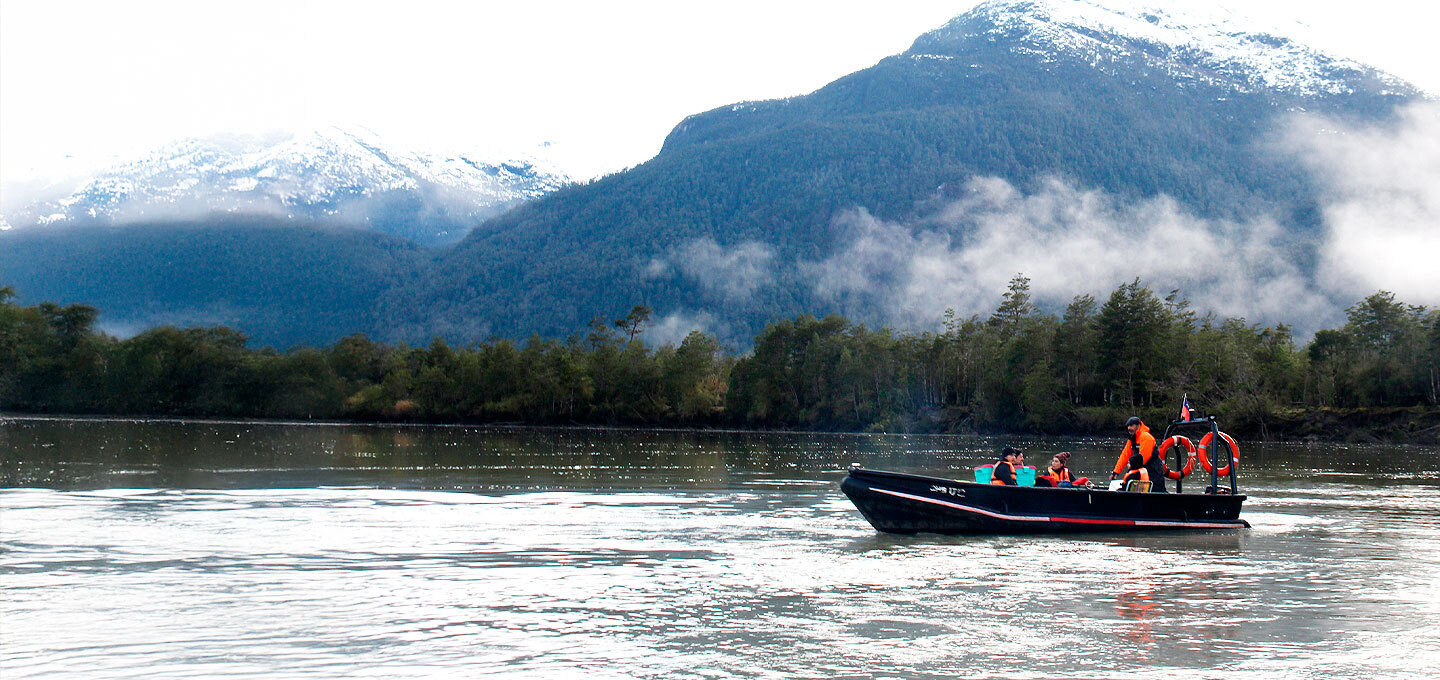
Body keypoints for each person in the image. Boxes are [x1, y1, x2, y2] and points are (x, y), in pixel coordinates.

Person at [1112, 416, 1166, 492]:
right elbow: (1125, 455)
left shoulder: (1146, 437)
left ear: (1138, 425)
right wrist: (1116, 472)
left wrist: (1132, 467)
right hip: (1141, 468)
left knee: (1156, 490)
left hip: (1154, 469)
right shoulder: (1132, 439)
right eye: (1128, 426)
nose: (1129, 428)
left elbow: (1143, 458)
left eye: (1131, 426)